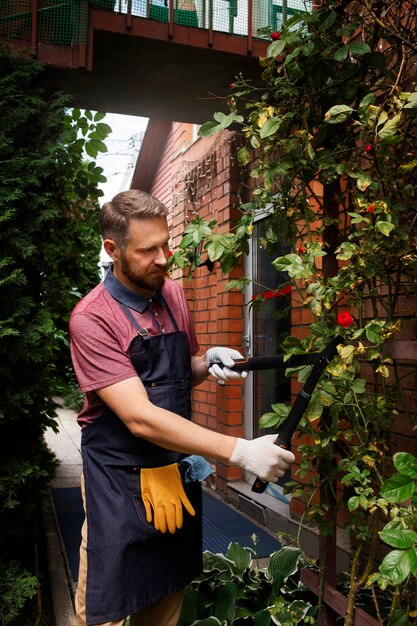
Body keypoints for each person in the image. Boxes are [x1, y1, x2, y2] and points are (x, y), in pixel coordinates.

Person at [69, 189, 295, 626]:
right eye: (148, 249)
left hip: (171, 474)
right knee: (106, 608)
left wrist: (208, 361)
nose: (163, 258)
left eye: (166, 244)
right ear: (112, 249)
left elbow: (178, 370)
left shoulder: (171, 293)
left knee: (166, 594)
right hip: (117, 479)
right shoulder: (92, 318)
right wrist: (240, 451)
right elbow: (138, 415)